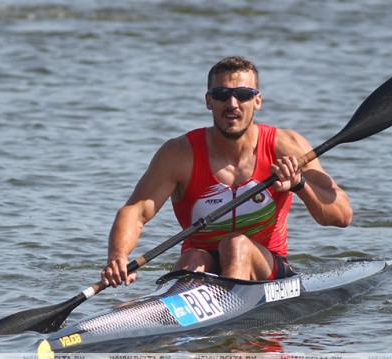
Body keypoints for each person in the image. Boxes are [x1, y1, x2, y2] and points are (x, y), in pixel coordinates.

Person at [101, 56, 352, 288]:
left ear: (257, 101)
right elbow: (135, 211)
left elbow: (341, 216)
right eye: (222, 94)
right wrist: (118, 257)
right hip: (200, 262)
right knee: (193, 256)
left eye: (243, 94)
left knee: (235, 244)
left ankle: (229, 314)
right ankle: (170, 312)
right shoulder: (178, 154)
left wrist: (300, 185)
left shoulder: (286, 146)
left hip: (267, 266)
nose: (232, 104)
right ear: (209, 101)